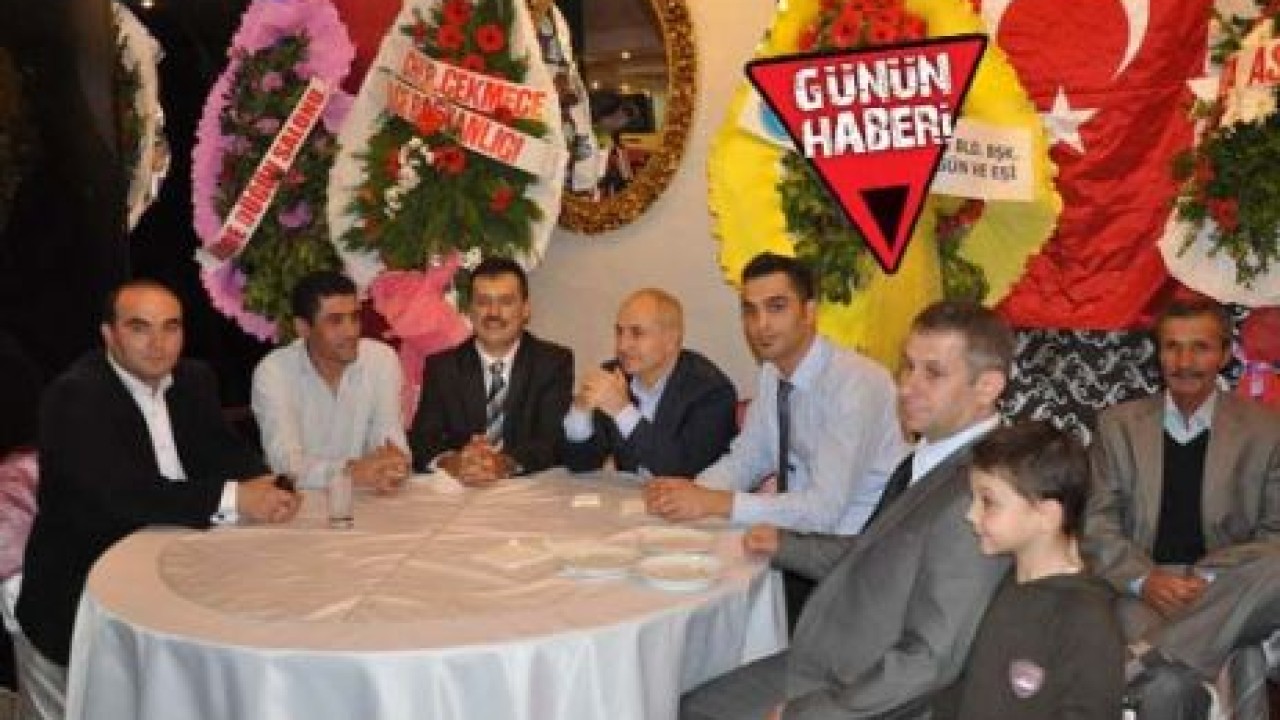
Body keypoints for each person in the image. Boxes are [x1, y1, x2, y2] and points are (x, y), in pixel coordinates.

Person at [679, 300, 1013, 720]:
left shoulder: (982, 492)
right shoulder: (930, 456)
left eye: (934, 373)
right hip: (842, 658)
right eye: (908, 367)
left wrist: (815, 712)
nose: (907, 387)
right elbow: (876, 552)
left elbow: (930, 661)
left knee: (697, 708)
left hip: (867, 690)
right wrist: (784, 544)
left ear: (987, 387)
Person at [15, 280, 299, 718]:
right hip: (79, 599)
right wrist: (235, 496)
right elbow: (125, 495)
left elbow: (221, 451)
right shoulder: (75, 396)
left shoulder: (193, 379)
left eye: (171, 327)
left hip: (172, 571)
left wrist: (267, 484)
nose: (158, 344)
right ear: (109, 335)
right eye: (140, 328)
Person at [1083, 297, 1280, 720]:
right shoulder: (1117, 426)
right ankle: (1174, 657)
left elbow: (1275, 533)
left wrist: (1208, 580)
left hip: (1228, 584)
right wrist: (1145, 580)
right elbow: (1097, 526)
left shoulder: (1268, 430)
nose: (1184, 362)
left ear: (1224, 355)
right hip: (1144, 587)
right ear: (1158, 354)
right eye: (1172, 347)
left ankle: (1147, 656)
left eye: (1200, 347)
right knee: (1171, 684)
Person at [644, 253, 903, 535]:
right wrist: (689, 493)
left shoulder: (856, 383)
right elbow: (748, 458)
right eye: (750, 311)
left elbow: (823, 511)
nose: (761, 324)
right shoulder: (773, 374)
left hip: (862, 544)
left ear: (809, 313)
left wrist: (719, 502)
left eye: (776, 307)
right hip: (798, 538)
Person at [951, 421, 1125, 720]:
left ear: (1047, 515)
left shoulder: (1086, 618)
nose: (971, 514)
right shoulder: (995, 584)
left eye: (988, 501)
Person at [409, 257, 573, 484]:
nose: (493, 313)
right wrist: (454, 462)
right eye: (483, 302)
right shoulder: (443, 368)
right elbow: (422, 440)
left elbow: (553, 441)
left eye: (506, 302)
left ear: (526, 309)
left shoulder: (552, 363)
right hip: (460, 490)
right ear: (470, 310)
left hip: (528, 490)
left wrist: (503, 463)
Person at [252, 271, 410, 492]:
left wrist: (393, 464)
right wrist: (349, 472)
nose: (351, 331)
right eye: (335, 321)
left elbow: (390, 441)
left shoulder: (381, 359)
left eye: (355, 317)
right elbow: (286, 465)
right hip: (300, 503)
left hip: (367, 497)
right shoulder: (274, 372)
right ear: (303, 328)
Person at [562, 288, 736, 477]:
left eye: (637, 333)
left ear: (671, 340)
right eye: (619, 332)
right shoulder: (615, 375)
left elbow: (683, 472)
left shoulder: (711, 391)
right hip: (626, 493)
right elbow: (581, 464)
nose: (622, 345)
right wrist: (579, 412)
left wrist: (623, 411)